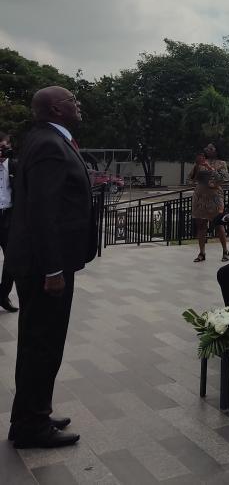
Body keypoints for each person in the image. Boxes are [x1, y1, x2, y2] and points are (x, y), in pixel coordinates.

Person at [6, 86, 97, 449]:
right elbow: (42, 212)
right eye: (73, 100)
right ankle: (31, 425)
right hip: (44, 267)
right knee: (42, 345)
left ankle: (32, 413)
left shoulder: (47, 139)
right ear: (57, 109)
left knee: (38, 342)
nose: (78, 104)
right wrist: (53, 270)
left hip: (42, 262)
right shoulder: (48, 144)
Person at [188, 144, 229, 263]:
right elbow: (191, 178)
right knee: (200, 224)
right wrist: (197, 165)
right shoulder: (200, 163)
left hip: (215, 196)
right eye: (206, 148)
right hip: (200, 196)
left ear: (216, 151)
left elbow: (223, 178)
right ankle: (202, 252)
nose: (208, 150)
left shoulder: (221, 163)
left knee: (218, 224)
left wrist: (209, 167)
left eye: (211, 148)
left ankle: (225, 251)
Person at [0, 132, 18, 312]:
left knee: (12, 259)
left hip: (8, 218)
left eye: (4, 148)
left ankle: (3, 295)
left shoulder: (15, 166)